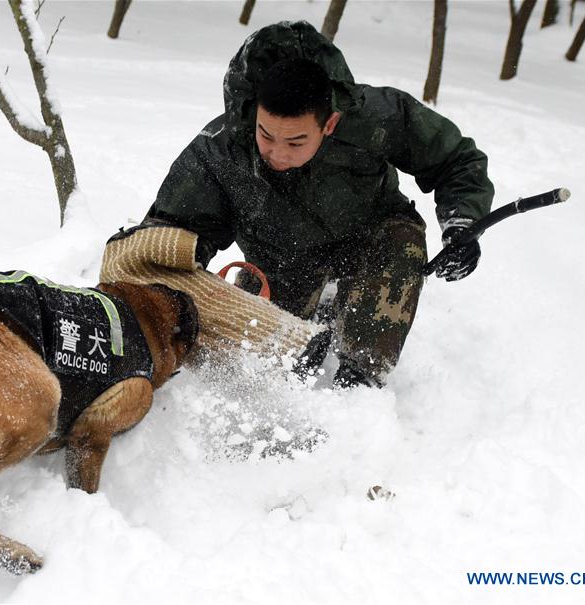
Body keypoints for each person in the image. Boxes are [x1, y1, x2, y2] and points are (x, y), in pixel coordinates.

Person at [141, 21, 494, 388]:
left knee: (399, 242)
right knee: (256, 373)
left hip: (369, 239)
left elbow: (456, 159)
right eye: (266, 134)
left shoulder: (375, 118)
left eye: (295, 142)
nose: (277, 153)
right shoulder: (222, 147)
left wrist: (462, 223)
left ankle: (359, 384)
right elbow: (170, 233)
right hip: (279, 259)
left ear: (330, 124)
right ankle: (314, 312)